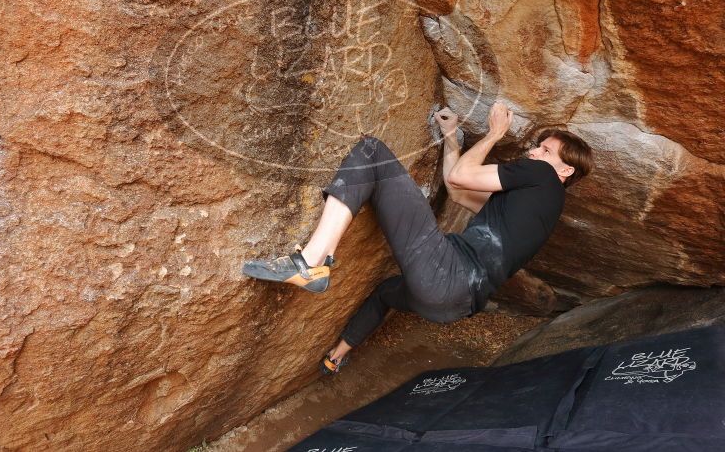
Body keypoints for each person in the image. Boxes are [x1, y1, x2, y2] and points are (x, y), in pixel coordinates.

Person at [242, 102, 593, 374]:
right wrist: (452, 135)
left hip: (448, 273)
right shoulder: (540, 205)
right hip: (453, 306)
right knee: (384, 294)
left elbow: (459, 176)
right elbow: (458, 192)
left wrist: (494, 134)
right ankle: (337, 357)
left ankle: (313, 262)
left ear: (565, 170)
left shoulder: (542, 177)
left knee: (371, 151)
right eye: (538, 148)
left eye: (545, 151)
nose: (534, 153)